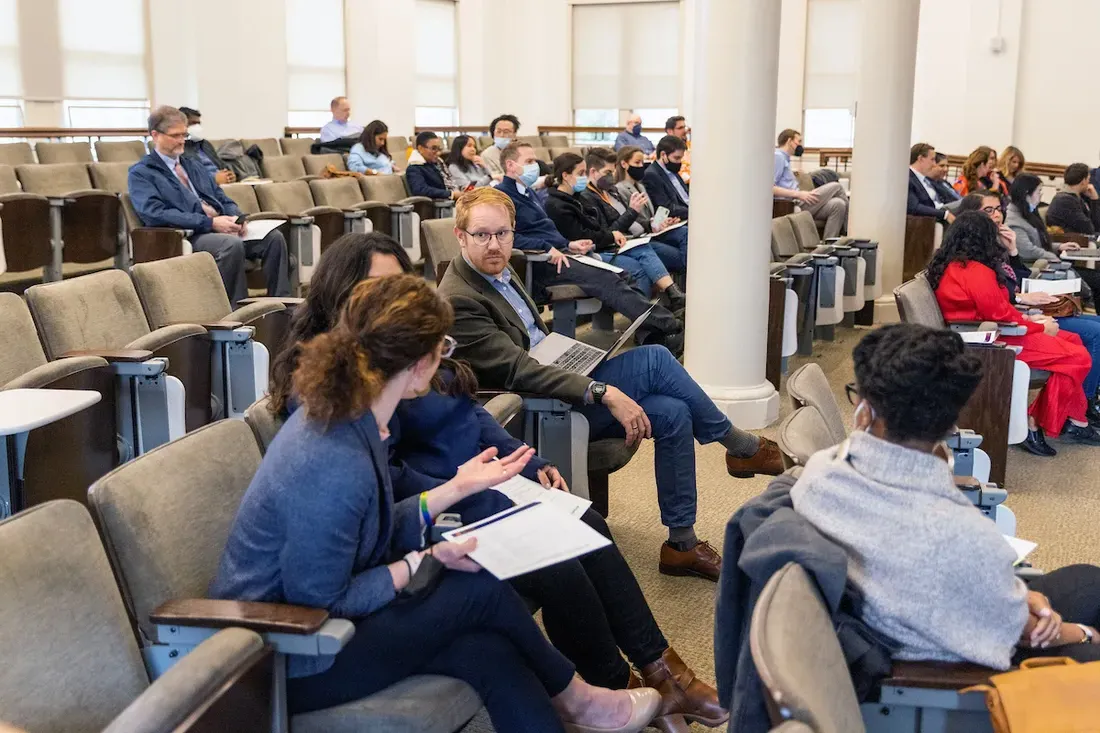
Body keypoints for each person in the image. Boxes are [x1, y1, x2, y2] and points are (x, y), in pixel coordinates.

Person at [267, 232, 728, 731]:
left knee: (584, 522)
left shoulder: (385, 367)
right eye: (375, 289)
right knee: (552, 560)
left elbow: (461, 412)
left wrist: (515, 464)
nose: (390, 302)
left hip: (436, 496)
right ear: (342, 296)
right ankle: (612, 688)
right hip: (405, 517)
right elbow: (373, 494)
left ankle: (655, 675)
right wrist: (461, 495)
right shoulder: (329, 404)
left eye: (397, 286)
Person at [438, 187, 785, 582]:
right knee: (655, 359)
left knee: (673, 412)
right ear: (460, 235)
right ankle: (741, 446)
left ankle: (681, 545)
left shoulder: (501, 266)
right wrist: (601, 390)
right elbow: (519, 371)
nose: (494, 244)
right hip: (538, 404)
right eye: (481, 234)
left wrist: (580, 358)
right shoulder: (459, 297)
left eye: (502, 233)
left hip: (557, 373)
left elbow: (534, 338)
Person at [793, 322, 1100, 671]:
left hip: (909, 615)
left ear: (864, 408)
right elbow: (1026, 633)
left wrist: (1013, 594)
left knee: (1089, 581)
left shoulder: (821, 471)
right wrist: (1084, 634)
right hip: (952, 670)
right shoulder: (960, 533)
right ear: (951, 424)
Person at [928, 211, 1098, 454]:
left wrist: (1029, 318)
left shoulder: (955, 264)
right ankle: (1037, 422)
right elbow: (998, 315)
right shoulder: (976, 270)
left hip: (987, 331)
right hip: (990, 340)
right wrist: (1040, 326)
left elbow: (998, 310)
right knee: (1077, 357)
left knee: (1072, 341)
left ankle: (1074, 419)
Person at [495, 142, 686, 352]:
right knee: (607, 278)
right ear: (511, 165)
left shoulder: (526, 193)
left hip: (564, 254)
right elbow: (507, 238)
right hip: (545, 263)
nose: (536, 166)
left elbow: (544, 232)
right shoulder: (502, 197)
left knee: (625, 274)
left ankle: (652, 334)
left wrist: (569, 244)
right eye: (529, 161)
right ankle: (671, 325)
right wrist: (547, 248)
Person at [960, 190, 1100, 423]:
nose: (996, 216)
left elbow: (1012, 287)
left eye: (998, 209)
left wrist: (1013, 251)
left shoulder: (989, 247)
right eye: (988, 210)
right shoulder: (974, 262)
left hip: (1013, 319)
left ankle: (1073, 411)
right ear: (971, 216)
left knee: (1081, 340)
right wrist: (1035, 323)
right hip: (997, 333)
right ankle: (1061, 416)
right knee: (1082, 348)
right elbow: (1002, 302)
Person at [128, 105, 291, 303]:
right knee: (230, 246)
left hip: (218, 227)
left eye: (184, 135)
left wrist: (236, 217)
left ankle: (282, 305)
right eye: (175, 136)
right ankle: (236, 314)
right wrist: (210, 223)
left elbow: (220, 197)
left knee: (274, 239)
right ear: (155, 135)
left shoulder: (192, 164)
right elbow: (154, 214)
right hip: (189, 234)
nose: (181, 141)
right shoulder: (142, 172)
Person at [544, 152, 684, 308]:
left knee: (648, 248)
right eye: (581, 173)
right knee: (639, 268)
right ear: (565, 175)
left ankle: (671, 298)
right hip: (586, 253)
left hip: (609, 243)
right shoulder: (561, 203)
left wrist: (647, 224)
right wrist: (616, 230)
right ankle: (652, 315)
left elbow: (600, 228)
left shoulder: (581, 197)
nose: (584, 177)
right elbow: (585, 235)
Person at [588, 147, 688, 274]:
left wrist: (658, 221)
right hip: (635, 237)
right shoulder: (618, 189)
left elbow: (643, 217)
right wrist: (637, 215)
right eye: (637, 163)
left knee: (685, 235)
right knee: (681, 251)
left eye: (642, 162)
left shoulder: (639, 186)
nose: (641, 166)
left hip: (647, 232)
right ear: (624, 164)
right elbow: (624, 221)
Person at [772, 129, 849, 239]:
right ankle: (848, 229)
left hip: (800, 201)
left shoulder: (785, 159)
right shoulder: (778, 157)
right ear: (789, 141)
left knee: (838, 204)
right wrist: (798, 194)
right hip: (793, 202)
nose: (800, 145)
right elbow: (770, 188)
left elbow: (782, 179)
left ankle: (828, 247)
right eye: (799, 141)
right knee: (837, 186)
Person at [178, 106, 235, 185]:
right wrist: (213, 179)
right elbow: (187, 175)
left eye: (199, 124)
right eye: (193, 123)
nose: (197, 127)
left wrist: (230, 175)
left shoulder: (205, 144)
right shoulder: (178, 147)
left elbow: (221, 165)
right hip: (206, 184)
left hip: (221, 182)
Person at [642, 136, 691, 222]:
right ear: (663, 155)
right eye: (676, 158)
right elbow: (666, 207)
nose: (679, 162)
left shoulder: (672, 170)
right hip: (678, 219)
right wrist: (693, 211)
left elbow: (685, 196)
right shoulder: (652, 175)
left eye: (681, 158)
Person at [907, 143, 957, 224]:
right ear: (921, 159)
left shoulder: (924, 178)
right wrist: (944, 214)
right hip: (927, 221)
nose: (934, 164)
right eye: (932, 159)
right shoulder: (908, 178)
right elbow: (914, 207)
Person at [1046, 162, 1100, 236]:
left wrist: (1094, 199)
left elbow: (1095, 227)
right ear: (1083, 181)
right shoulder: (1065, 201)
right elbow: (1089, 229)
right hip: (1071, 242)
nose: (1089, 182)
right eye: (1088, 179)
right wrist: (1095, 201)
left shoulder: (1073, 197)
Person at [405, 131, 460, 201]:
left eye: (439, 149)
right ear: (420, 149)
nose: (438, 153)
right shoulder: (414, 168)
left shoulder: (437, 162)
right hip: (439, 206)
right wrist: (451, 194)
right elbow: (420, 190)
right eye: (434, 148)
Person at [482, 114, 521, 178]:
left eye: (506, 132)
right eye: (498, 131)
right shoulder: (487, 154)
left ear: (514, 134)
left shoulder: (520, 151)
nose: (502, 135)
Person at [663, 116, 691, 182]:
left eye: (684, 127)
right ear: (670, 131)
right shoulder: (664, 151)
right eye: (680, 128)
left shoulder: (692, 146)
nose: (684, 131)